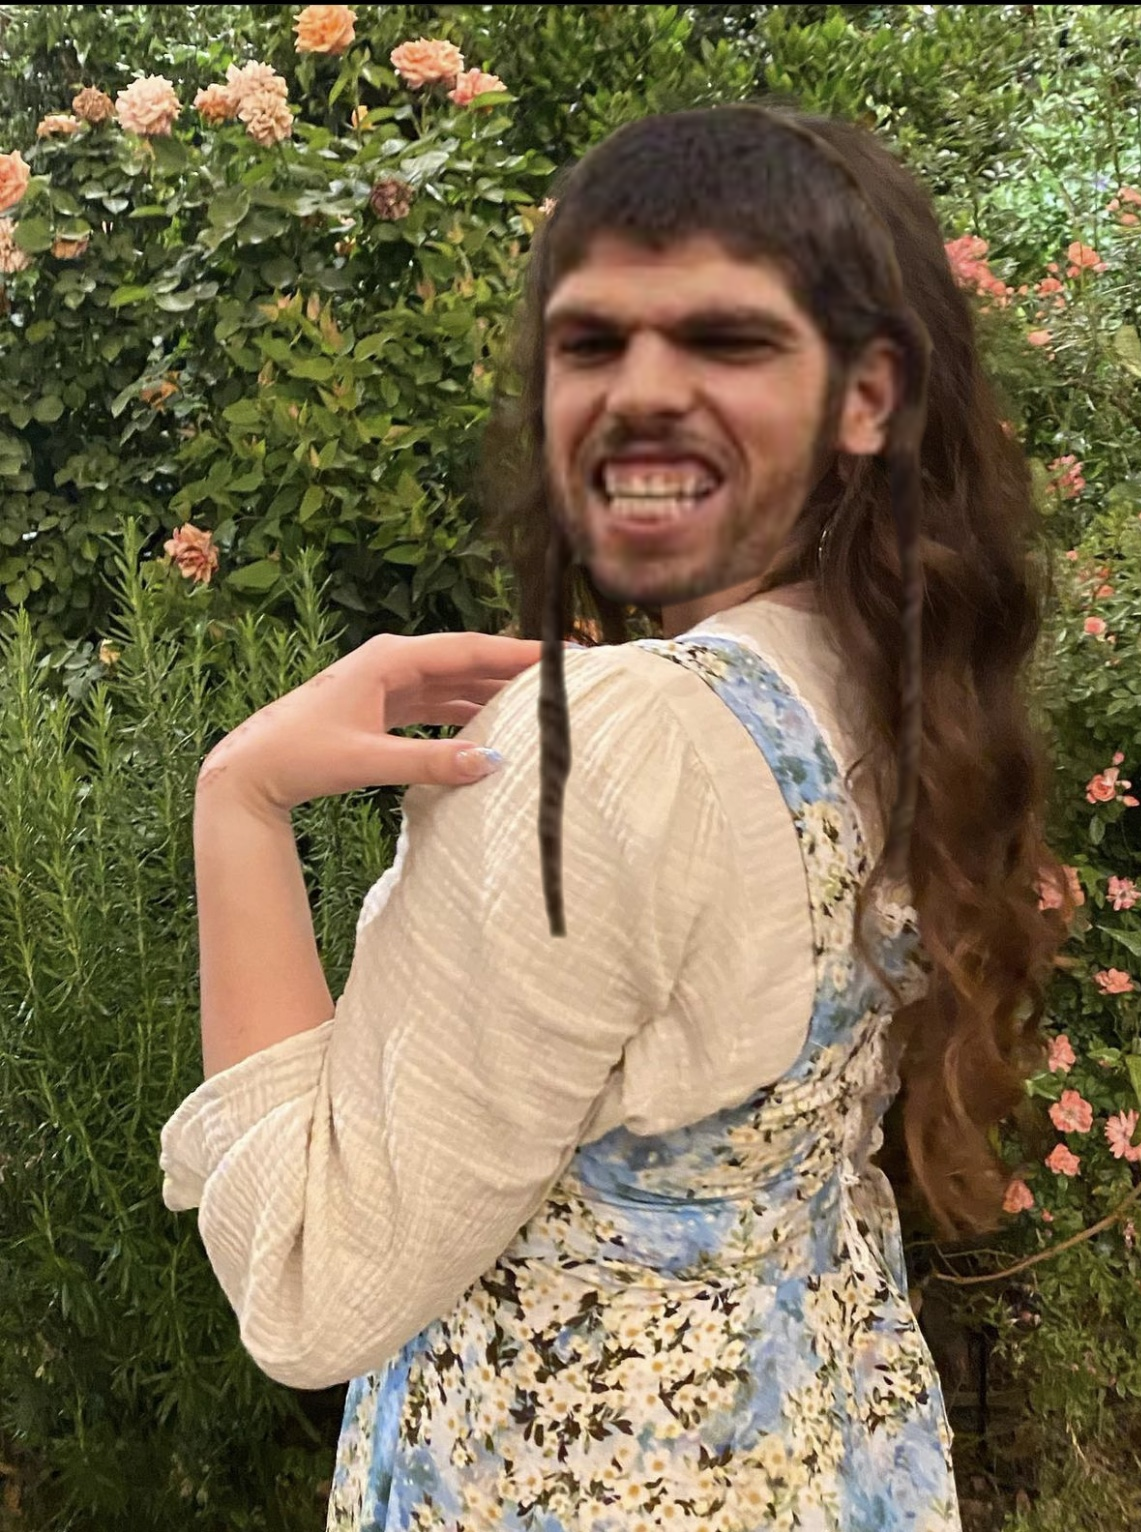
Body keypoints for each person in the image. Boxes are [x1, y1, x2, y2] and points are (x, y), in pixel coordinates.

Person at [160, 105, 1067, 1531]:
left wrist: (242, 798)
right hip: (818, 1451)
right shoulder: (889, 680)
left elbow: (311, 1285)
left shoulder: (616, 750)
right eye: (593, 342)